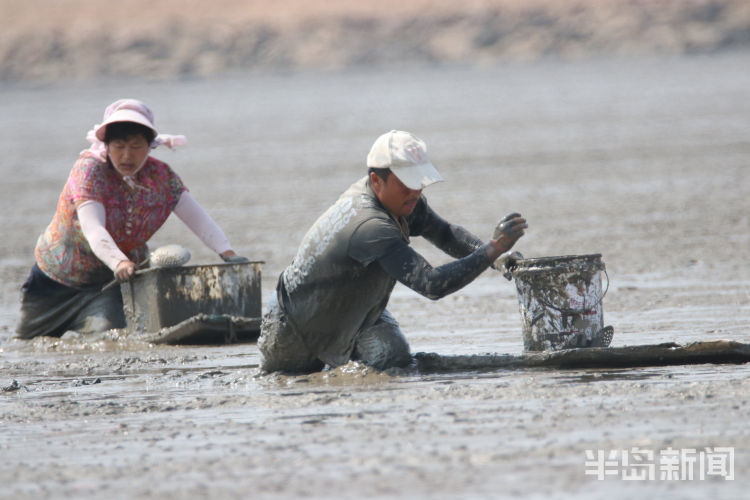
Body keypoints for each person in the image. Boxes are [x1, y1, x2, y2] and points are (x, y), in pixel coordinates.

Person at [258, 130, 527, 373]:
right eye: (406, 183)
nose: (415, 192)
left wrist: (498, 259)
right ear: (376, 180)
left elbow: (444, 233)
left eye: (419, 182)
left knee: (392, 355)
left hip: (354, 310)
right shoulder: (371, 226)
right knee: (298, 377)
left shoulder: (403, 202)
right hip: (293, 331)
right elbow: (431, 284)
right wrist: (494, 248)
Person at [15, 98, 248, 339]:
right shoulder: (89, 170)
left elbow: (197, 219)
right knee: (25, 342)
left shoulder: (162, 177)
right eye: (119, 145)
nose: (127, 156)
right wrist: (119, 261)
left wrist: (227, 252)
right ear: (106, 145)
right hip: (54, 280)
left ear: (150, 146)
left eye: (136, 146)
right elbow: (93, 228)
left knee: (110, 337)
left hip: (109, 283)